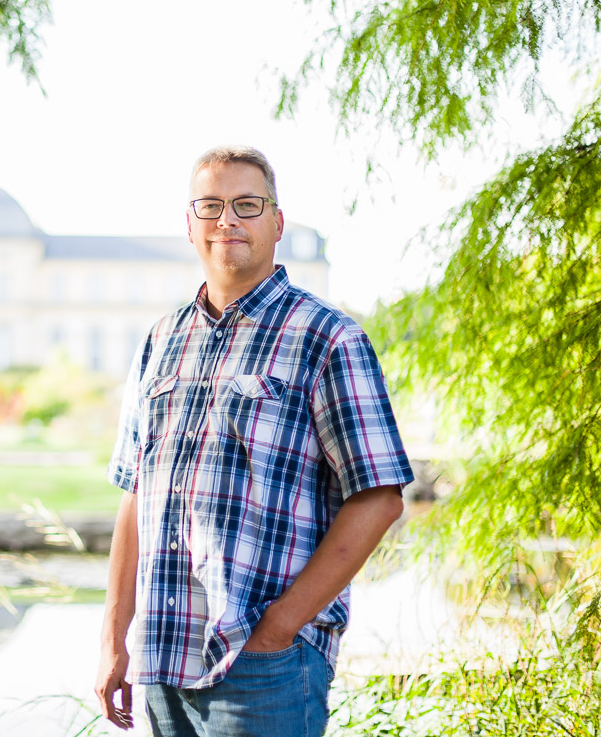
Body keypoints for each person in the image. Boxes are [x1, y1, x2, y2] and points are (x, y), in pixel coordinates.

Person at [94, 145, 413, 736]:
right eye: (210, 206)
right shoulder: (162, 339)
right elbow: (137, 494)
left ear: (276, 222)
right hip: (162, 659)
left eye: (246, 204)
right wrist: (116, 638)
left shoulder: (328, 336)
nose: (227, 220)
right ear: (189, 223)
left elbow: (379, 497)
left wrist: (278, 630)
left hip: (261, 665)